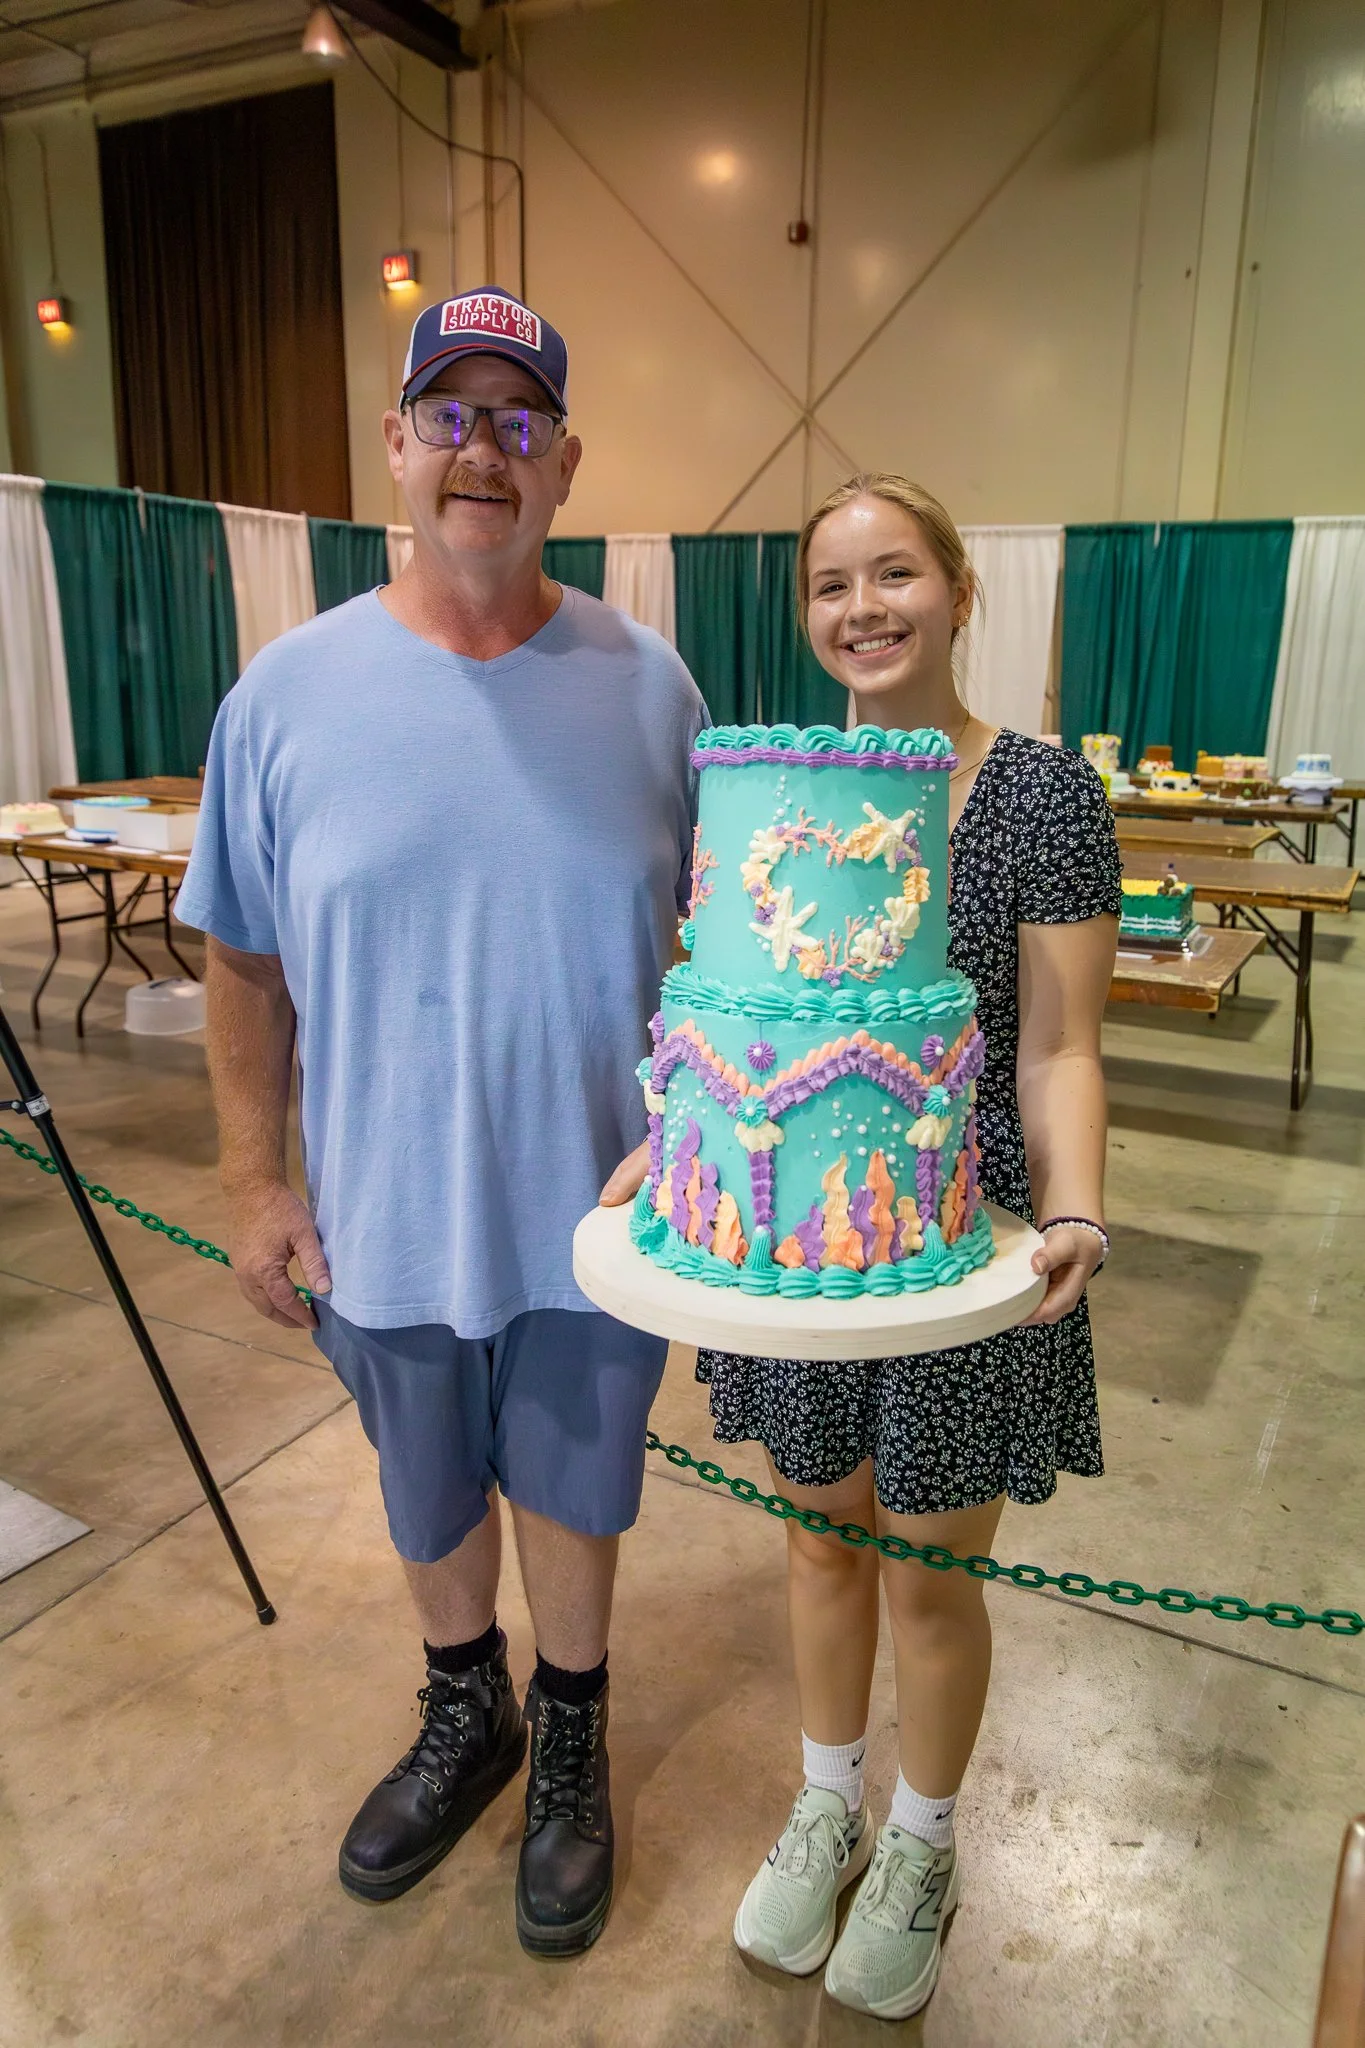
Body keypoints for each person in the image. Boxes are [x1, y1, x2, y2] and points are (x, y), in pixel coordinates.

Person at [176, 288, 705, 1957]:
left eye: (520, 418)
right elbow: (242, 960)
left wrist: (700, 1145)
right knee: (428, 1495)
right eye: (453, 416)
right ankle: (466, 1711)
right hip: (387, 1212)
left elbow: (726, 959)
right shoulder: (285, 696)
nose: (487, 448)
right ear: (399, 446)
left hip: (599, 1218)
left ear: (567, 462)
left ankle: (572, 1738)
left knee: (574, 1485)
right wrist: (256, 1179)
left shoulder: (654, 689)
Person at [605, 472, 1119, 2020]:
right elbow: (748, 1001)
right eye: (833, 584)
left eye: (896, 574)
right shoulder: (790, 787)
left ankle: (923, 1837)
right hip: (801, 1240)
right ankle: (828, 1800)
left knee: (932, 1576)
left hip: (965, 1256)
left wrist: (1079, 1202)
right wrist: (682, 1139)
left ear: (961, 590)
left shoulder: (1041, 793)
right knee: (821, 1535)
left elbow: (1060, 1047)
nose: (863, 609)